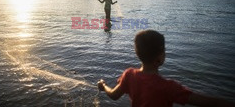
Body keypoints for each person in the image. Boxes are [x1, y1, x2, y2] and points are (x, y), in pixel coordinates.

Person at [97, 30, 235, 107]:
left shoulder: (129, 75)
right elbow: (210, 102)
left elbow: (114, 96)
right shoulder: (168, 87)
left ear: (137, 53)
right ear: (161, 56)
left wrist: (103, 86)